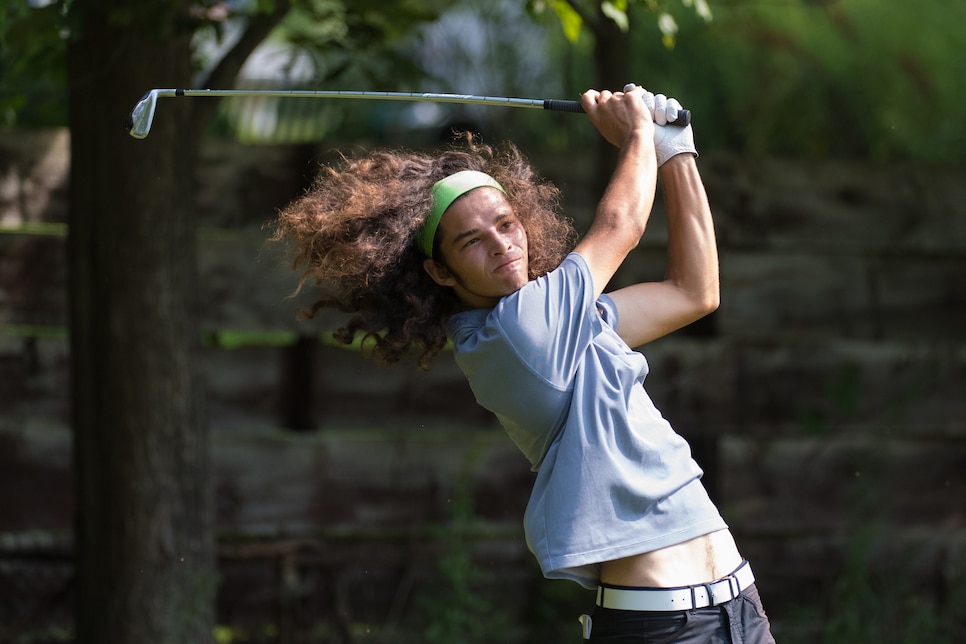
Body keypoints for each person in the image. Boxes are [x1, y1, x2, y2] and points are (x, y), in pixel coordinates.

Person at [274, 84, 775, 643]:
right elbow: (619, 229)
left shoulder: (561, 322)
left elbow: (693, 292)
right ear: (442, 273)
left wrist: (676, 148)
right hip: (662, 625)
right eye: (472, 241)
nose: (501, 244)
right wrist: (639, 133)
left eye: (505, 224)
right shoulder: (516, 334)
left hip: (738, 604)